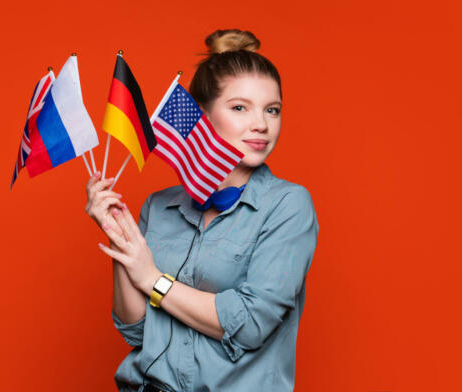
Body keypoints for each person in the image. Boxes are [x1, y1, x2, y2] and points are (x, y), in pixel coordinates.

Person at [85, 29, 319, 392]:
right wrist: (121, 239)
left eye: (272, 110)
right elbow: (137, 329)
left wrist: (153, 280)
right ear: (202, 116)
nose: (262, 124)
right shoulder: (159, 206)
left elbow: (251, 323)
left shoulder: (288, 206)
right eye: (240, 107)